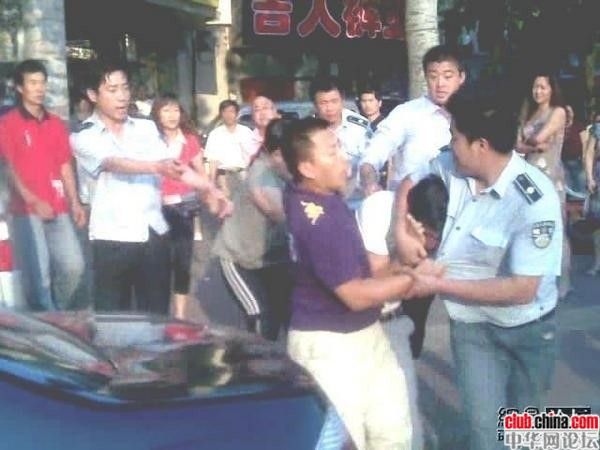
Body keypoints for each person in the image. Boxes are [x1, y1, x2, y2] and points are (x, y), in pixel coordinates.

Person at [398, 91, 562, 450]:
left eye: (455, 137)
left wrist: (437, 283)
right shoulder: (450, 165)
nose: (450, 144)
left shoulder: (534, 201)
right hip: (472, 328)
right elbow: (409, 181)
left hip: (528, 331)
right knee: (485, 433)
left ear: (481, 145)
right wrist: (401, 231)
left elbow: (522, 289)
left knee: (524, 433)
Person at [281, 117, 443, 450]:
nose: (344, 158)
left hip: (365, 334)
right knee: (347, 439)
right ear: (307, 167)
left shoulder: (321, 199)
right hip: (330, 347)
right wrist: (413, 278)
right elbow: (355, 294)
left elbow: (362, 274)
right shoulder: (319, 220)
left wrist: (401, 263)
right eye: (332, 152)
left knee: (394, 433)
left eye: (340, 147)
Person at [71, 60, 185, 314]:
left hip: (152, 232)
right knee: (113, 321)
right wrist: (156, 167)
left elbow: (172, 166)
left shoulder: (145, 127)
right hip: (112, 238)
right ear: (93, 95)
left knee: (156, 319)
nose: (122, 96)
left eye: (125, 88)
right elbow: (113, 163)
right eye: (112, 90)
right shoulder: (83, 136)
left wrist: (209, 189)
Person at [355, 175, 448, 450]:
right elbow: (374, 278)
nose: (432, 244)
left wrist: (421, 273)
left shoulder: (446, 219)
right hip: (361, 316)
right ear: (409, 217)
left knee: (404, 386)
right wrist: (406, 259)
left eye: (437, 237)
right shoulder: (378, 210)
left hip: (398, 310)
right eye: (428, 235)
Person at [0, 59, 85, 311]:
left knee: (73, 266)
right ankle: (46, 318)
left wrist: (75, 202)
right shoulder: (8, 123)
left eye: (42, 83)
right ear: (19, 87)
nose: (39, 88)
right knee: (39, 277)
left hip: (57, 207)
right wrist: (32, 200)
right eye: (33, 83)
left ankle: (54, 312)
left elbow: (64, 165)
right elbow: (8, 168)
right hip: (25, 211)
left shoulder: (56, 123)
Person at [151, 93, 230, 319]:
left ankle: (180, 316)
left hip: (184, 208)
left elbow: (201, 174)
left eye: (176, 110)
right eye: (166, 110)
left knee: (182, 263)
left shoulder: (190, 140)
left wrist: (211, 196)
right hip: (155, 209)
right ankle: (158, 314)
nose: (172, 115)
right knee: (159, 262)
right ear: (157, 114)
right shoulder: (150, 140)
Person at [212, 118, 292, 341]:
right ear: (273, 152)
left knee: (288, 315)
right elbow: (278, 213)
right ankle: (253, 362)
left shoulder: (292, 171)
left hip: (274, 259)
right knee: (260, 316)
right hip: (239, 260)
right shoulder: (262, 173)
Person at [360, 45, 466, 194]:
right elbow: (376, 150)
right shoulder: (406, 113)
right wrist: (368, 177)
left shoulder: (471, 115)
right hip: (409, 202)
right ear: (425, 77)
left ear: (461, 77)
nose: (440, 84)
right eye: (433, 77)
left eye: (447, 77)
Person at [516, 74, 571, 298]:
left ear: (551, 90)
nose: (537, 91)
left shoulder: (558, 112)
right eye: (535, 87)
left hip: (550, 175)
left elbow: (539, 138)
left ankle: (563, 282)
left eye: (542, 87)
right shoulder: (529, 112)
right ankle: (536, 281)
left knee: (556, 228)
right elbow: (518, 145)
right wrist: (533, 146)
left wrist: (532, 143)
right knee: (531, 228)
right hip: (528, 176)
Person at [310, 77, 369, 208]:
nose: (330, 108)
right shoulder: (307, 132)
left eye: (334, 101)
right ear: (315, 105)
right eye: (323, 103)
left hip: (356, 200)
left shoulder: (360, 127)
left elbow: (370, 163)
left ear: (342, 100)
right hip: (320, 201)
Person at [204, 99, 254, 198]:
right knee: (227, 204)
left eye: (231, 111)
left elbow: (253, 156)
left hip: (244, 175)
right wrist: (212, 183)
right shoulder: (215, 134)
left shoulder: (246, 132)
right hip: (223, 177)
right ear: (221, 114)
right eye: (225, 112)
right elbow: (212, 160)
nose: (228, 115)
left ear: (237, 114)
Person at [583, 110, 600, 275]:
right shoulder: (598, 127)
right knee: (597, 223)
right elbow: (589, 153)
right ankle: (597, 262)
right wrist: (589, 177)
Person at [561, 105, 587, 196]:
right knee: (568, 188)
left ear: (573, 113)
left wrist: (584, 157)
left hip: (578, 160)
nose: (568, 114)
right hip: (562, 161)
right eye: (566, 111)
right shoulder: (559, 126)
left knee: (581, 185)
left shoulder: (578, 126)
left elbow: (585, 143)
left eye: (570, 111)